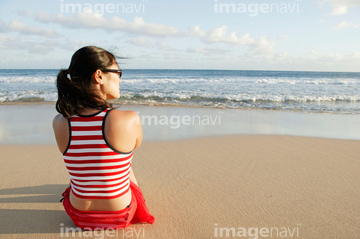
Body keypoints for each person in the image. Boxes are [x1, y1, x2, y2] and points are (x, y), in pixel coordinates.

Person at [52, 46, 154, 230]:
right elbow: (134, 146)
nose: (120, 80)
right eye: (118, 73)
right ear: (99, 76)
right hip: (120, 215)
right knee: (125, 163)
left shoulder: (59, 121)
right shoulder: (129, 118)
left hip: (78, 217)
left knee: (83, 164)